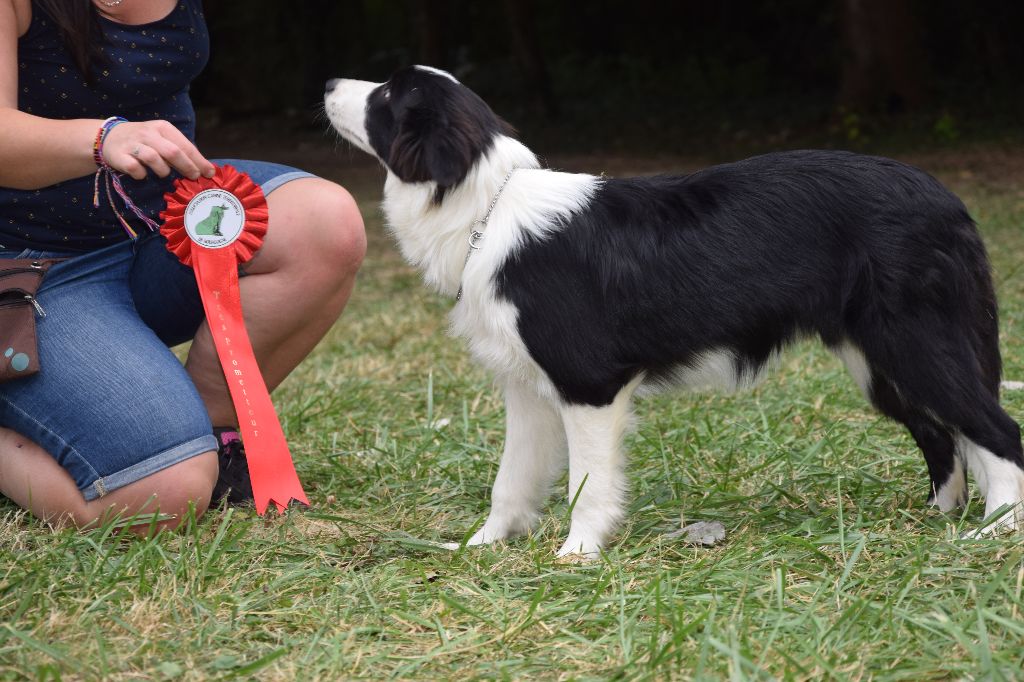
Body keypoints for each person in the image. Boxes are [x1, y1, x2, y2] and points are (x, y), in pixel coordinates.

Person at [0, 0, 366, 532]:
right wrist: (104, 138)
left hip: (164, 231)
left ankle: (214, 436)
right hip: (35, 270)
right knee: (162, 495)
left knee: (323, 225)